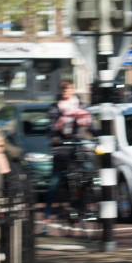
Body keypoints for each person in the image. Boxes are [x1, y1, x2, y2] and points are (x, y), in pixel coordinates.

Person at [41, 80, 93, 233]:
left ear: (73, 89)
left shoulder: (81, 106)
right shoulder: (55, 108)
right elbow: (51, 127)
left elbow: (90, 125)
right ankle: (46, 220)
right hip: (61, 149)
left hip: (77, 148)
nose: (66, 90)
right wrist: (54, 137)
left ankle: (85, 207)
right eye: (63, 88)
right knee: (54, 184)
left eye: (68, 88)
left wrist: (99, 135)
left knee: (88, 173)